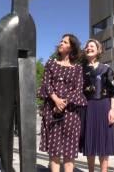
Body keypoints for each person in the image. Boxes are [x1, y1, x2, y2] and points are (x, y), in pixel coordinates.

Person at [38, 34, 87, 172]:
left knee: (69, 151)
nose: (61, 43)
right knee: (54, 151)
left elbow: (78, 89)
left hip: (71, 112)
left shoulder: (78, 68)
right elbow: (46, 84)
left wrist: (63, 103)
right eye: (61, 41)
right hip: (51, 111)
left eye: (65, 42)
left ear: (71, 48)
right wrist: (56, 100)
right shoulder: (51, 63)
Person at [80, 39, 114, 172]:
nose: (88, 48)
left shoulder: (106, 69)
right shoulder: (81, 70)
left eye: (92, 46)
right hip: (87, 108)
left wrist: (112, 110)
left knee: (104, 142)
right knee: (89, 141)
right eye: (87, 46)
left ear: (98, 50)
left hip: (104, 107)